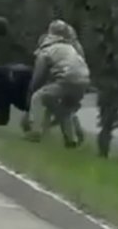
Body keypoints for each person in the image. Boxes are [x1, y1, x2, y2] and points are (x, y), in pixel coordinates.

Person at [25, 19, 90, 147]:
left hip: (67, 79)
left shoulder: (46, 51)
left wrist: (31, 90)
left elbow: (38, 76)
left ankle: (35, 132)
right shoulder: (70, 47)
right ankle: (71, 140)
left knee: (37, 97)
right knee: (64, 109)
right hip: (84, 79)